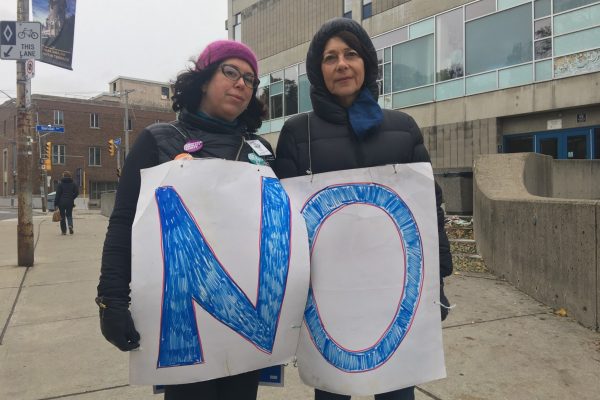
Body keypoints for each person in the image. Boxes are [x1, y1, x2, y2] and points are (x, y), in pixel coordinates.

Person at [273, 18, 453, 400]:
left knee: (397, 392)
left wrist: (437, 282)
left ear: (366, 63)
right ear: (317, 71)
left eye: (351, 54)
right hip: (328, 299)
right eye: (330, 57)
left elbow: (427, 208)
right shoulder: (296, 132)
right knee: (332, 392)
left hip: (393, 293)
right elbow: (281, 221)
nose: (342, 64)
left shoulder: (403, 127)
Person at [96, 40, 274, 400]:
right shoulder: (158, 139)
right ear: (204, 79)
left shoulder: (260, 149)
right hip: (183, 322)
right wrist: (111, 300)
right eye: (231, 72)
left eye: (251, 79)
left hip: (248, 321)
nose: (242, 83)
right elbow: (123, 222)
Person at [54, 170, 78, 235]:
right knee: (69, 215)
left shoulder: (60, 184)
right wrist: (72, 198)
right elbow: (76, 193)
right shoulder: (73, 183)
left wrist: (55, 203)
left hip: (61, 202)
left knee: (62, 216)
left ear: (63, 176)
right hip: (70, 202)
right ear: (70, 176)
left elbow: (58, 195)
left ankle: (64, 231)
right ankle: (70, 226)